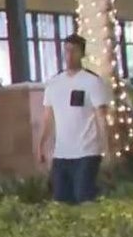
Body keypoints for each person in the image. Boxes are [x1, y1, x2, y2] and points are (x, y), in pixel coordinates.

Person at [37, 34, 110, 205]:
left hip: (87, 152)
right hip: (61, 153)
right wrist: (41, 145)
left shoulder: (92, 82)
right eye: (67, 51)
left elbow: (101, 119)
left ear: (82, 54)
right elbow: (48, 118)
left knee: (84, 198)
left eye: (74, 51)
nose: (69, 55)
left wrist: (106, 150)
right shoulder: (54, 83)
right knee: (61, 201)